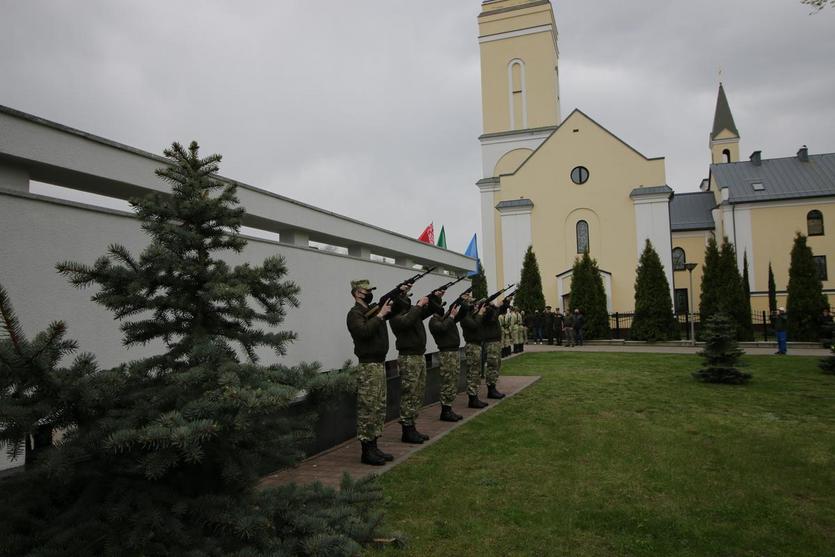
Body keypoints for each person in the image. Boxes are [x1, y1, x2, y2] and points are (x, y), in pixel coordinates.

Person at [346, 279, 394, 466]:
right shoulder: (354, 314)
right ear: (357, 293)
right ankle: (366, 451)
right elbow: (363, 332)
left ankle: (374, 446)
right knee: (368, 408)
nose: (369, 293)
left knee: (378, 407)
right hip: (368, 366)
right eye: (366, 291)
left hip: (379, 364)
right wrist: (380, 315)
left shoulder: (371, 310)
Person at [389, 286, 434, 444]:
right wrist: (418, 305)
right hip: (408, 358)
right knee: (409, 394)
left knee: (418, 393)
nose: (406, 298)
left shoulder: (411, 314)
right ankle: (407, 430)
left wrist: (435, 297)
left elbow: (429, 311)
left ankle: (412, 427)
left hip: (418, 356)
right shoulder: (395, 317)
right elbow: (407, 322)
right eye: (403, 296)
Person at [428, 298, 465, 422]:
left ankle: (449, 408)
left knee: (453, 382)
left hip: (453, 353)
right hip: (446, 353)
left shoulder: (445, 319)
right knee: (447, 382)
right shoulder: (433, 321)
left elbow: (463, 313)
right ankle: (445, 411)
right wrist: (451, 317)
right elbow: (442, 328)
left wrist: (462, 302)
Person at [459, 293, 489, 409]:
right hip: (472, 346)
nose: (475, 306)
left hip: (477, 346)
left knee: (476, 372)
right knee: (473, 373)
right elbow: (475, 326)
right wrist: (480, 314)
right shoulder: (465, 318)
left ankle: (475, 397)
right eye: (473, 304)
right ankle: (472, 398)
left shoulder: (472, 315)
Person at [480, 296, 509, 399]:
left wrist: (506, 302)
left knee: (496, 365)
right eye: (490, 302)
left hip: (495, 342)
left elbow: (502, 310)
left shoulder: (492, 311)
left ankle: (493, 387)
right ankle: (491, 390)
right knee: (492, 365)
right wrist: (496, 307)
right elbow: (493, 319)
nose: (493, 303)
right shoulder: (486, 313)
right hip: (490, 342)